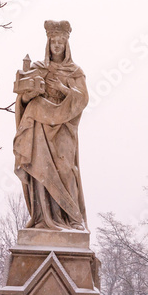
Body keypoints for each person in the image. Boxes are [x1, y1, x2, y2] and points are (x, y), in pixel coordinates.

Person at [14, 20, 89, 230]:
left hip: (64, 125)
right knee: (41, 169)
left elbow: (82, 99)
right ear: (48, 44)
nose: (57, 45)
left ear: (67, 45)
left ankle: (72, 219)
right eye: (53, 41)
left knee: (66, 169)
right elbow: (23, 100)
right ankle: (43, 218)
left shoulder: (75, 71)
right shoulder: (38, 68)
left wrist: (64, 89)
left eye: (60, 42)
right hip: (41, 125)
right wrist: (29, 95)